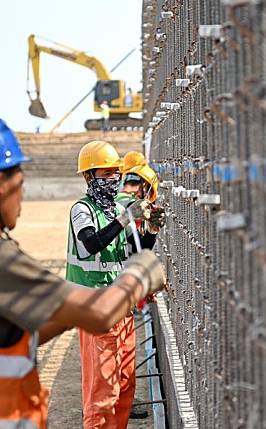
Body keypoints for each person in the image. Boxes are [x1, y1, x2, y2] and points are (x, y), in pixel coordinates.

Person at [0, 111, 167, 429]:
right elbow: (100, 312)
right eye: (20, 177)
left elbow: (9, 337)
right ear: (0, 182)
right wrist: (142, 274)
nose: (22, 191)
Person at [67, 141, 159, 428]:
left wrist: (152, 232)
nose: (112, 179)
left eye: (114, 173)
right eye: (105, 174)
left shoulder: (117, 207)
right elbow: (91, 244)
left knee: (123, 385)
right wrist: (124, 218)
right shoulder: (81, 210)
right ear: (88, 176)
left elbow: (133, 251)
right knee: (102, 391)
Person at [115, 163, 165, 420]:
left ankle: (120, 403)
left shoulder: (126, 208)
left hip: (122, 291)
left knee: (123, 352)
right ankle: (106, 407)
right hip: (111, 292)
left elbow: (137, 248)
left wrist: (153, 232)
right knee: (113, 355)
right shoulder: (122, 203)